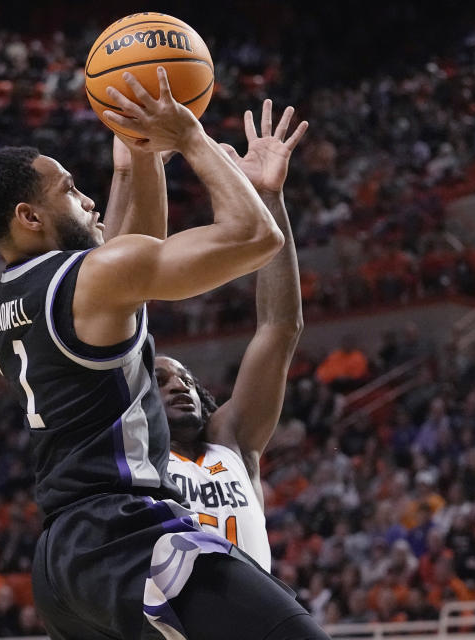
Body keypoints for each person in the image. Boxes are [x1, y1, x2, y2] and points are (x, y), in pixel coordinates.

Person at [0, 68, 325, 640]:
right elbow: (257, 239)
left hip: (66, 559)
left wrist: (139, 154)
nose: (87, 200)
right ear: (29, 218)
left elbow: (135, 252)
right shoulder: (87, 279)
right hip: (124, 530)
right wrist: (189, 138)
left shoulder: (7, 306)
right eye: (71, 191)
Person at [157, 99, 305, 573]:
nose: (178, 385)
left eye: (182, 377)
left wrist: (269, 200)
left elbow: (280, 328)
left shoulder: (230, 438)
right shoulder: (132, 454)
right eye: (159, 381)